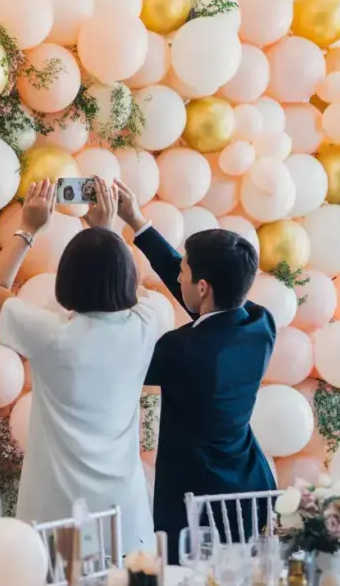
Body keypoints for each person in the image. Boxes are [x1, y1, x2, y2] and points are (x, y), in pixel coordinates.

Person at [0, 178, 160, 553]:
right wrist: (107, 233)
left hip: (56, 509)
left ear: (65, 280)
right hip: (123, 508)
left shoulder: (51, 335)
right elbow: (135, 291)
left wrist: (29, 228)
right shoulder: (149, 322)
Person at [113, 178, 277, 561]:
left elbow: (121, 362)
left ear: (203, 287)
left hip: (195, 506)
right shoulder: (259, 324)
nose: (178, 276)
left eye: (183, 272)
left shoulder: (179, 350)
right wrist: (137, 222)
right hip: (249, 491)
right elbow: (206, 311)